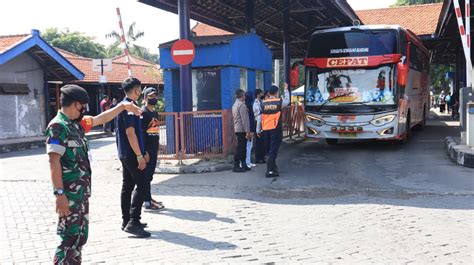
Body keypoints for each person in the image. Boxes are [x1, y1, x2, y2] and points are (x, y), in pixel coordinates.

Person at [45, 84, 141, 264]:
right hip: (69, 196)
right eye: (83, 106)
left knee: (80, 237)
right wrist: (59, 195)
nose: (84, 111)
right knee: (69, 238)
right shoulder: (58, 126)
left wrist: (122, 106)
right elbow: (53, 161)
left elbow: (99, 119)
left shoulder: (75, 124)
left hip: (80, 195)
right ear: (75, 104)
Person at [116, 77, 151, 238]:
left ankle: (126, 220)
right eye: (140, 89)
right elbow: (130, 133)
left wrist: (143, 151)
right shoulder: (129, 107)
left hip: (126, 152)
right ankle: (133, 222)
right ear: (136, 89)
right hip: (131, 154)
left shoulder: (125, 105)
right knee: (143, 184)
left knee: (127, 186)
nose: (140, 91)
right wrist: (139, 155)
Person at [141, 87, 165, 211]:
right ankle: (146, 201)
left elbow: (154, 130)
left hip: (154, 148)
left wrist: (158, 145)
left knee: (150, 175)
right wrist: (144, 151)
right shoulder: (143, 113)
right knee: (146, 175)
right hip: (147, 151)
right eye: (151, 96)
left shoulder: (154, 113)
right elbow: (141, 134)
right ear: (145, 98)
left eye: (155, 96)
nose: (154, 98)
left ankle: (148, 197)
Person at [261, 83, 290, 178]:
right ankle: (269, 171)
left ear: (269, 93)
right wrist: (286, 89)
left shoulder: (263, 102)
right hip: (275, 129)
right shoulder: (279, 102)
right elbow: (288, 101)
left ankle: (273, 167)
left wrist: (258, 129)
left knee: (269, 150)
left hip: (265, 129)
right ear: (277, 93)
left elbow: (260, 116)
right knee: (273, 150)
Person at [232, 89, 252, 172]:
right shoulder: (242, 105)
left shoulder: (235, 104)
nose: (245, 97)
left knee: (242, 147)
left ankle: (243, 164)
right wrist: (247, 131)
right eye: (244, 95)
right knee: (241, 148)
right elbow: (245, 120)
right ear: (241, 96)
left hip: (238, 128)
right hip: (242, 129)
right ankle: (236, 165)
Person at [253, 89, 266, 164]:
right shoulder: (256, 103)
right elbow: (259, 113)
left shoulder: (261, 102)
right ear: (258, 94)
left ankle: (262, 157)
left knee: (262, 141)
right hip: (257, 121)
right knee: (258, 141)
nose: (262, 94)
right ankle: (258, 158)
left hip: (262, 122)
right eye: (261, 93)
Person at [245, 91, 256, 168]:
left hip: (248, 128)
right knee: (248, 146)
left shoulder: (247, 105)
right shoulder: (248, 106)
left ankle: (248, 162)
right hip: (248, 129)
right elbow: (249, 119)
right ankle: (246, 162)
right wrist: (250, 130)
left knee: (249, 146)